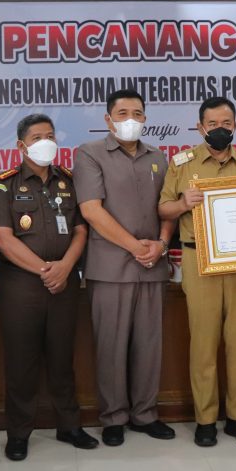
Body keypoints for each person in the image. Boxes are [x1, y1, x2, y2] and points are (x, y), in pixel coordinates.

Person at [0, 114, 98, 461]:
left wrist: (65, 267)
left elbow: (81, 229)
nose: (45, 142)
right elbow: (3, 240)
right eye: (37, 137)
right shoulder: (4, 185)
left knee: (63, 358)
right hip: (22, 285)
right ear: (21, 145)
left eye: (50, 135)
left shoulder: (68, 180)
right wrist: (43, 270)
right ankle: (19, 433)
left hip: (64, 282)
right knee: (22, 363)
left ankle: (69, 426)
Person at [158, 97, 236, 447]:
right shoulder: (182, 164)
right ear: (200, 127)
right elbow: (163, 210)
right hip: (198, 260)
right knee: (203, 343)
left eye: (226, 123)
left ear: (235, 126)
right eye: (213, 124)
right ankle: (205, 419)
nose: (220, 129)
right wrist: (183, 203)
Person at [74, 89, 177, 446]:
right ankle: (113, 416)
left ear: (145, 118)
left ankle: (145, 414)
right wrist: (135, 247)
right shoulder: (89, 154)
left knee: (150, 344)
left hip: (152, 265)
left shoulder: (159, 157)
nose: (129, 119)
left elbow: (169, 207)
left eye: (136, 113)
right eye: (122, 113)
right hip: (111, 266)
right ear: (108, 119)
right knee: (111, 345)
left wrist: (161, 245)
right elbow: (91, 211)